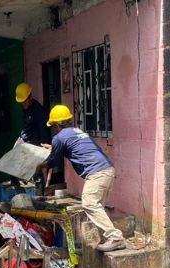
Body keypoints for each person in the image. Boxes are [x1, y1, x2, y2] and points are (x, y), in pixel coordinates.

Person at [37, 105, 126, 252]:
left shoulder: (58, 138)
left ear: (57, 124)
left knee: (89, 203)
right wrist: (54, 148)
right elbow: (72, 147)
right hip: (107, 169)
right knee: (97, 208)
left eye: (53, 126)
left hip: (97, 173)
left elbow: (53, 162)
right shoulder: (77, 131)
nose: (54, 128)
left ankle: (115, 237)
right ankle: (95, 242)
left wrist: (39, 166)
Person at [15, 82, 49, 146]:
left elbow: (43, 132)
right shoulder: (26, 108)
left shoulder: (39, 111)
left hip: (33, 144)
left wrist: (44, 147)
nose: (23, 104)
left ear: (30, 97)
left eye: (25, 101)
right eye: (21, 102)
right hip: (23, 140)